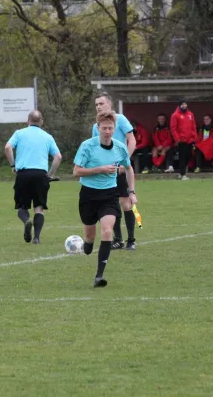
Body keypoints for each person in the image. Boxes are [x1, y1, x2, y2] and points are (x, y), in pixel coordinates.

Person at [74, 110, 137, 287]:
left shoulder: (120, 147)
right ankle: (87, 243)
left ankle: (99, 276)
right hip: (88, 194)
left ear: (114, 128)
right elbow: (76, 171)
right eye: (104, 128)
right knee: (90, 237)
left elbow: (129, 169)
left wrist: (132, 192)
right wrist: (99, 169)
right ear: (98, 128)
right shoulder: (87, 146)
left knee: (108, 231)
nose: (107, 131)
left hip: (110, 194)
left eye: (110, 128)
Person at [5, 110, 62, 244]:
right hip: (40, 175)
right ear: (41, 122)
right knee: (39, 208)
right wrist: (50, 174)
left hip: (23, 174)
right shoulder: (48, 137)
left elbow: (8, 147)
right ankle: (36, 238)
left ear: (28, 121)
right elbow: (58, 157)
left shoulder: (19, 133)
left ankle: (26, 221)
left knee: (22, 207)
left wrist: (13, 164)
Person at [91, 91, 138, 250]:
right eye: (96, 104)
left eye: (101, 103)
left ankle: (131, 240)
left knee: (125, 203)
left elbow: (132, 140)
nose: (98, 106)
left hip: (120, 170)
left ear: (109, 105)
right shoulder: (95, 127)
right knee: (112, 205)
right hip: (105, 171)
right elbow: (94, 147)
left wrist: (125, 162)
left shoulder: (121, 119)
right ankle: (118, 240)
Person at [170, 99, 197, 180]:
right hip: (181, 140)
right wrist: (177, 140)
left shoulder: (191, 114)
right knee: (182, 157)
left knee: (188, 156)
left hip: (190, 140)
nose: (184, 106)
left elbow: (193, 126)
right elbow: (173, 129)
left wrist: (194, 137)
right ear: (179, 106)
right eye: (182, 105)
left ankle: (181, 173)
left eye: (185, 104)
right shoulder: (175, 115)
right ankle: (183, 174)